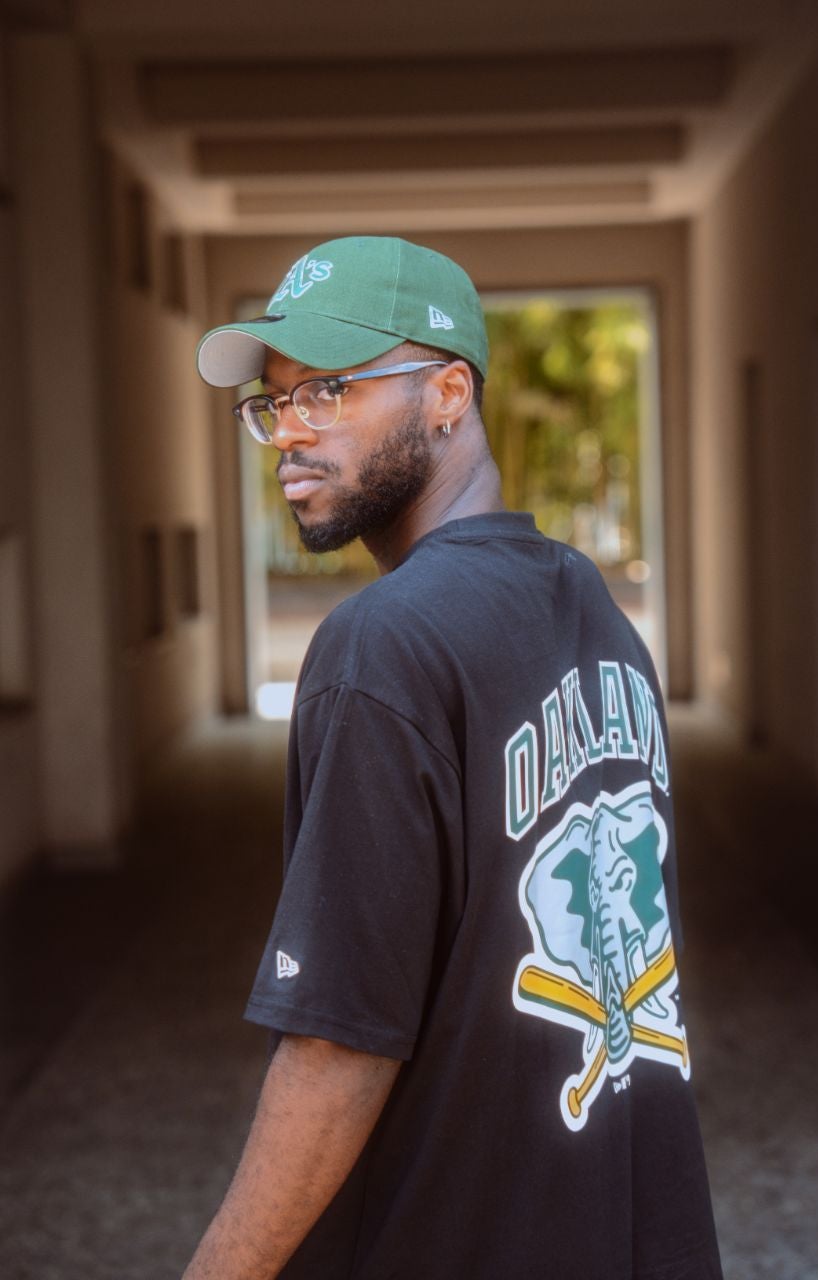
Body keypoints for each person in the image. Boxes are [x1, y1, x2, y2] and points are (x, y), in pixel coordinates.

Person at [187, 235, 722, 1279]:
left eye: (329, 391)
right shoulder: (594, 612)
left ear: (447, 391)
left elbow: (340, 1038)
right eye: (275, 406)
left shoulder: (381, 643)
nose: (290, 435)